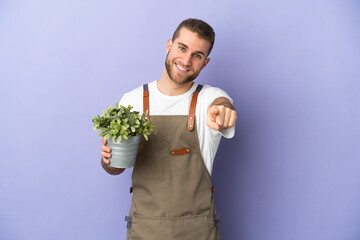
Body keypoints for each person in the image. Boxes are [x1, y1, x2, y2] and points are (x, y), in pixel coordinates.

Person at [100, 18, 237, 240]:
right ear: (168, 46)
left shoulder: (208, 98)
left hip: (199, 232)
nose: (186, 60)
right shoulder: (132, 100)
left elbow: (222, 103)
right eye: (182, 48)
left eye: (197, 55)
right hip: (145, 230)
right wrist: (108, 160)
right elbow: (115, 168)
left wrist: (223, 110)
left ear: (205, 62)